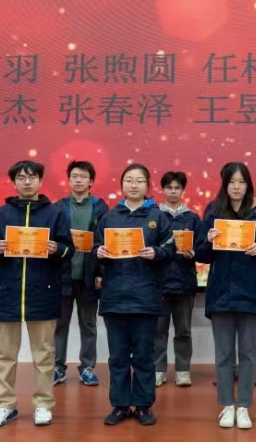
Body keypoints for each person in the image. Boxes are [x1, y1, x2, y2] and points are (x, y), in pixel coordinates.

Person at [0, 160, 74, 427]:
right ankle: (5, 404)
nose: (27, 182)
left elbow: (69, 250)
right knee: (5, 354)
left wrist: (57, 248)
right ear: (14, 182)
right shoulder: (0, 214)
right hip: (8, 293)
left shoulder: (55, 214)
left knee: (44, 354)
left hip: (43, 292)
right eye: (21, 177)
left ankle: (43, 404)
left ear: (40, 181)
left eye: (32, 177)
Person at [195, 162, 256, 429]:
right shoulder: (213, 210)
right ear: (225, 184)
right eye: (232, 181)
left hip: (251, 293)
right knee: (223, 355)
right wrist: (208, 240)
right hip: (221, 292)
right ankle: (226, 406)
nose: (236, 186)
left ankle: (243, 406)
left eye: (241, 182)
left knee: (248, 354)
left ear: (248, 185)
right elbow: (200, 253)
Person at [93, 164, 176, 427]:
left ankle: (142, 405)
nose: (133, 185)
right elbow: (95, 247)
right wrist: (99, 252)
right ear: (121, 185)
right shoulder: (109, 217)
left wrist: (156, 253)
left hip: (145, 298)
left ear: (147, 186)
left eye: (139, 180)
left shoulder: (157, 216)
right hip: (114, 297)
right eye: (129, 180)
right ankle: (119, 405)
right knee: (117, 357)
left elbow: (170, 249)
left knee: (143, 356)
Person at [54, 160, 108, 387]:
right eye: (74, 176)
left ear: (91, 181)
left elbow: (105, 242)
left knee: (88, 325)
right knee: (59, 324)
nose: (78, 180)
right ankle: (57, 367)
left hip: (89, 277)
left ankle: (87, 368)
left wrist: (101, 272)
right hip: (62, 275)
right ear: (68, 180)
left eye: (83, 176)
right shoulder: (58, 207)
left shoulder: (100, 207)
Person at [155, 171, 201, 388]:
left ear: (183, 190)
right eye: (169, 187)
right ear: (163, 189)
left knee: (183, 331)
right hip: (158, 283)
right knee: (158, 330)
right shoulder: (154, 215)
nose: (173, 191)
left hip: (184, 282)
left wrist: (195, 253)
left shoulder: (192, 218)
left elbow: (202, 247)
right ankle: (158, 370)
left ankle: (183, 371)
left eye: (177, 188)